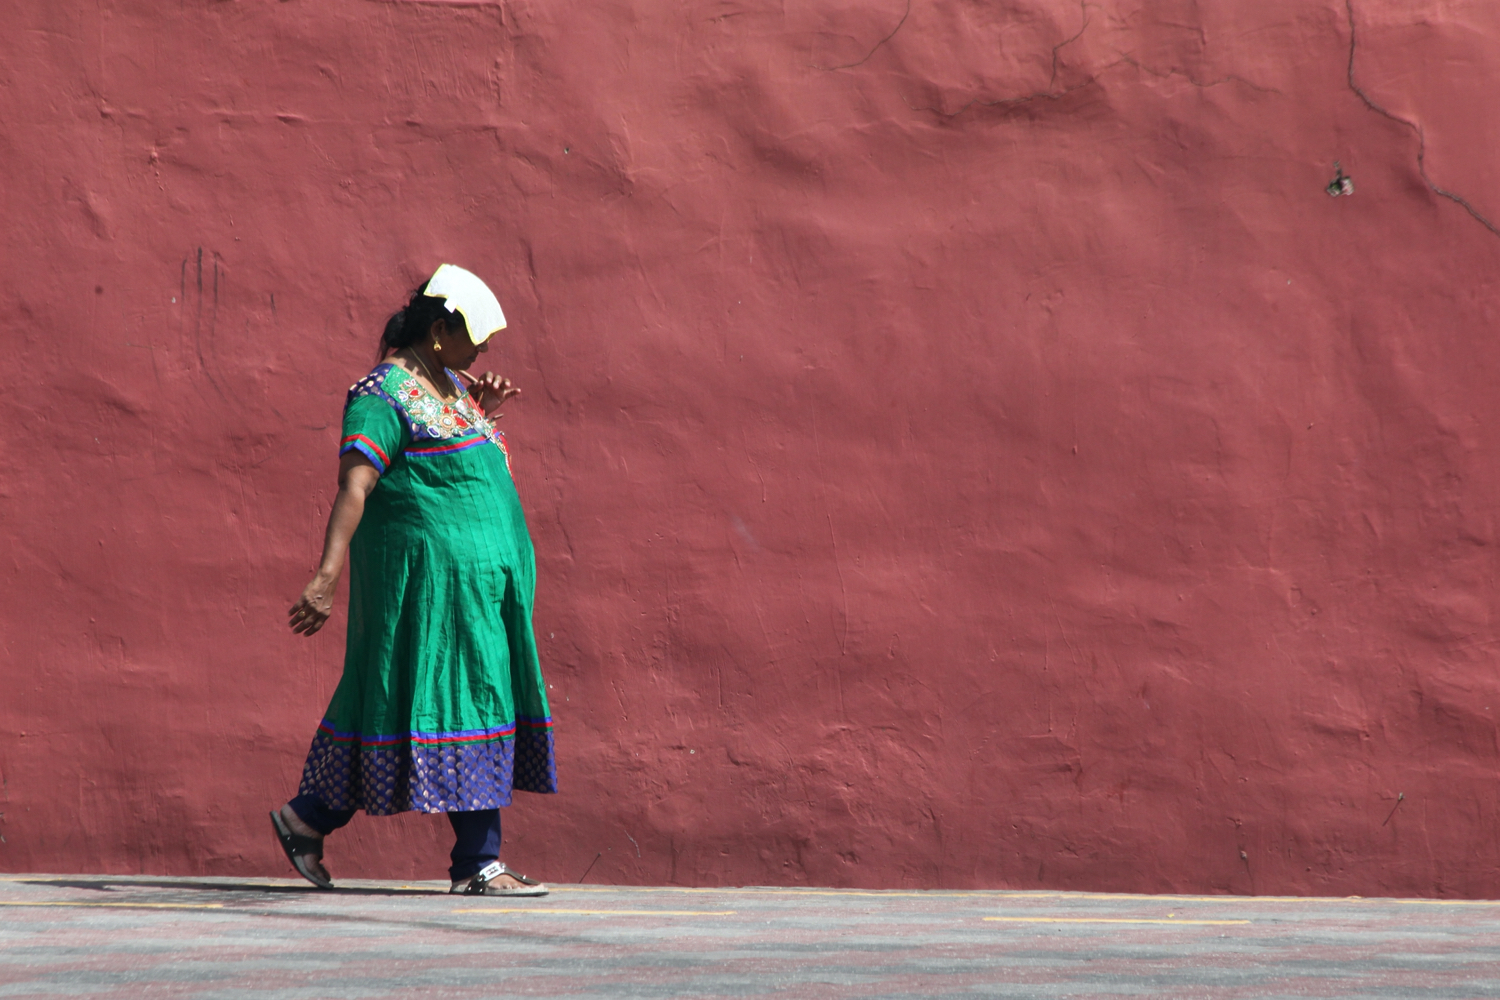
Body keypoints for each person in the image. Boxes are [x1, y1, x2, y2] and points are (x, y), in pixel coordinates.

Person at [270, 264, 556, 896]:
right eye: (472, 340)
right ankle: (479, 864)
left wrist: (483, 408)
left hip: (475, 593)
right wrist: (325, 577)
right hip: (434, 595)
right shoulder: (380, 395)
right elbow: (356, 484)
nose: (480, 354)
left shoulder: (450, 387)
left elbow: (445, 467)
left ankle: (306, 817)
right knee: (466, 699)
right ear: (436, 331)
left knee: (397, 701)